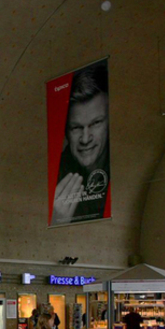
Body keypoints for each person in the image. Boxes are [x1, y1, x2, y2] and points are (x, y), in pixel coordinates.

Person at [51, 61, 110, 225]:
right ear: (66, 132)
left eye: (95, 123)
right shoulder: (54, 178)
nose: (85, 139)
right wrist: (55, 219)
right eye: (76, 127)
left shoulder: (125, 168)